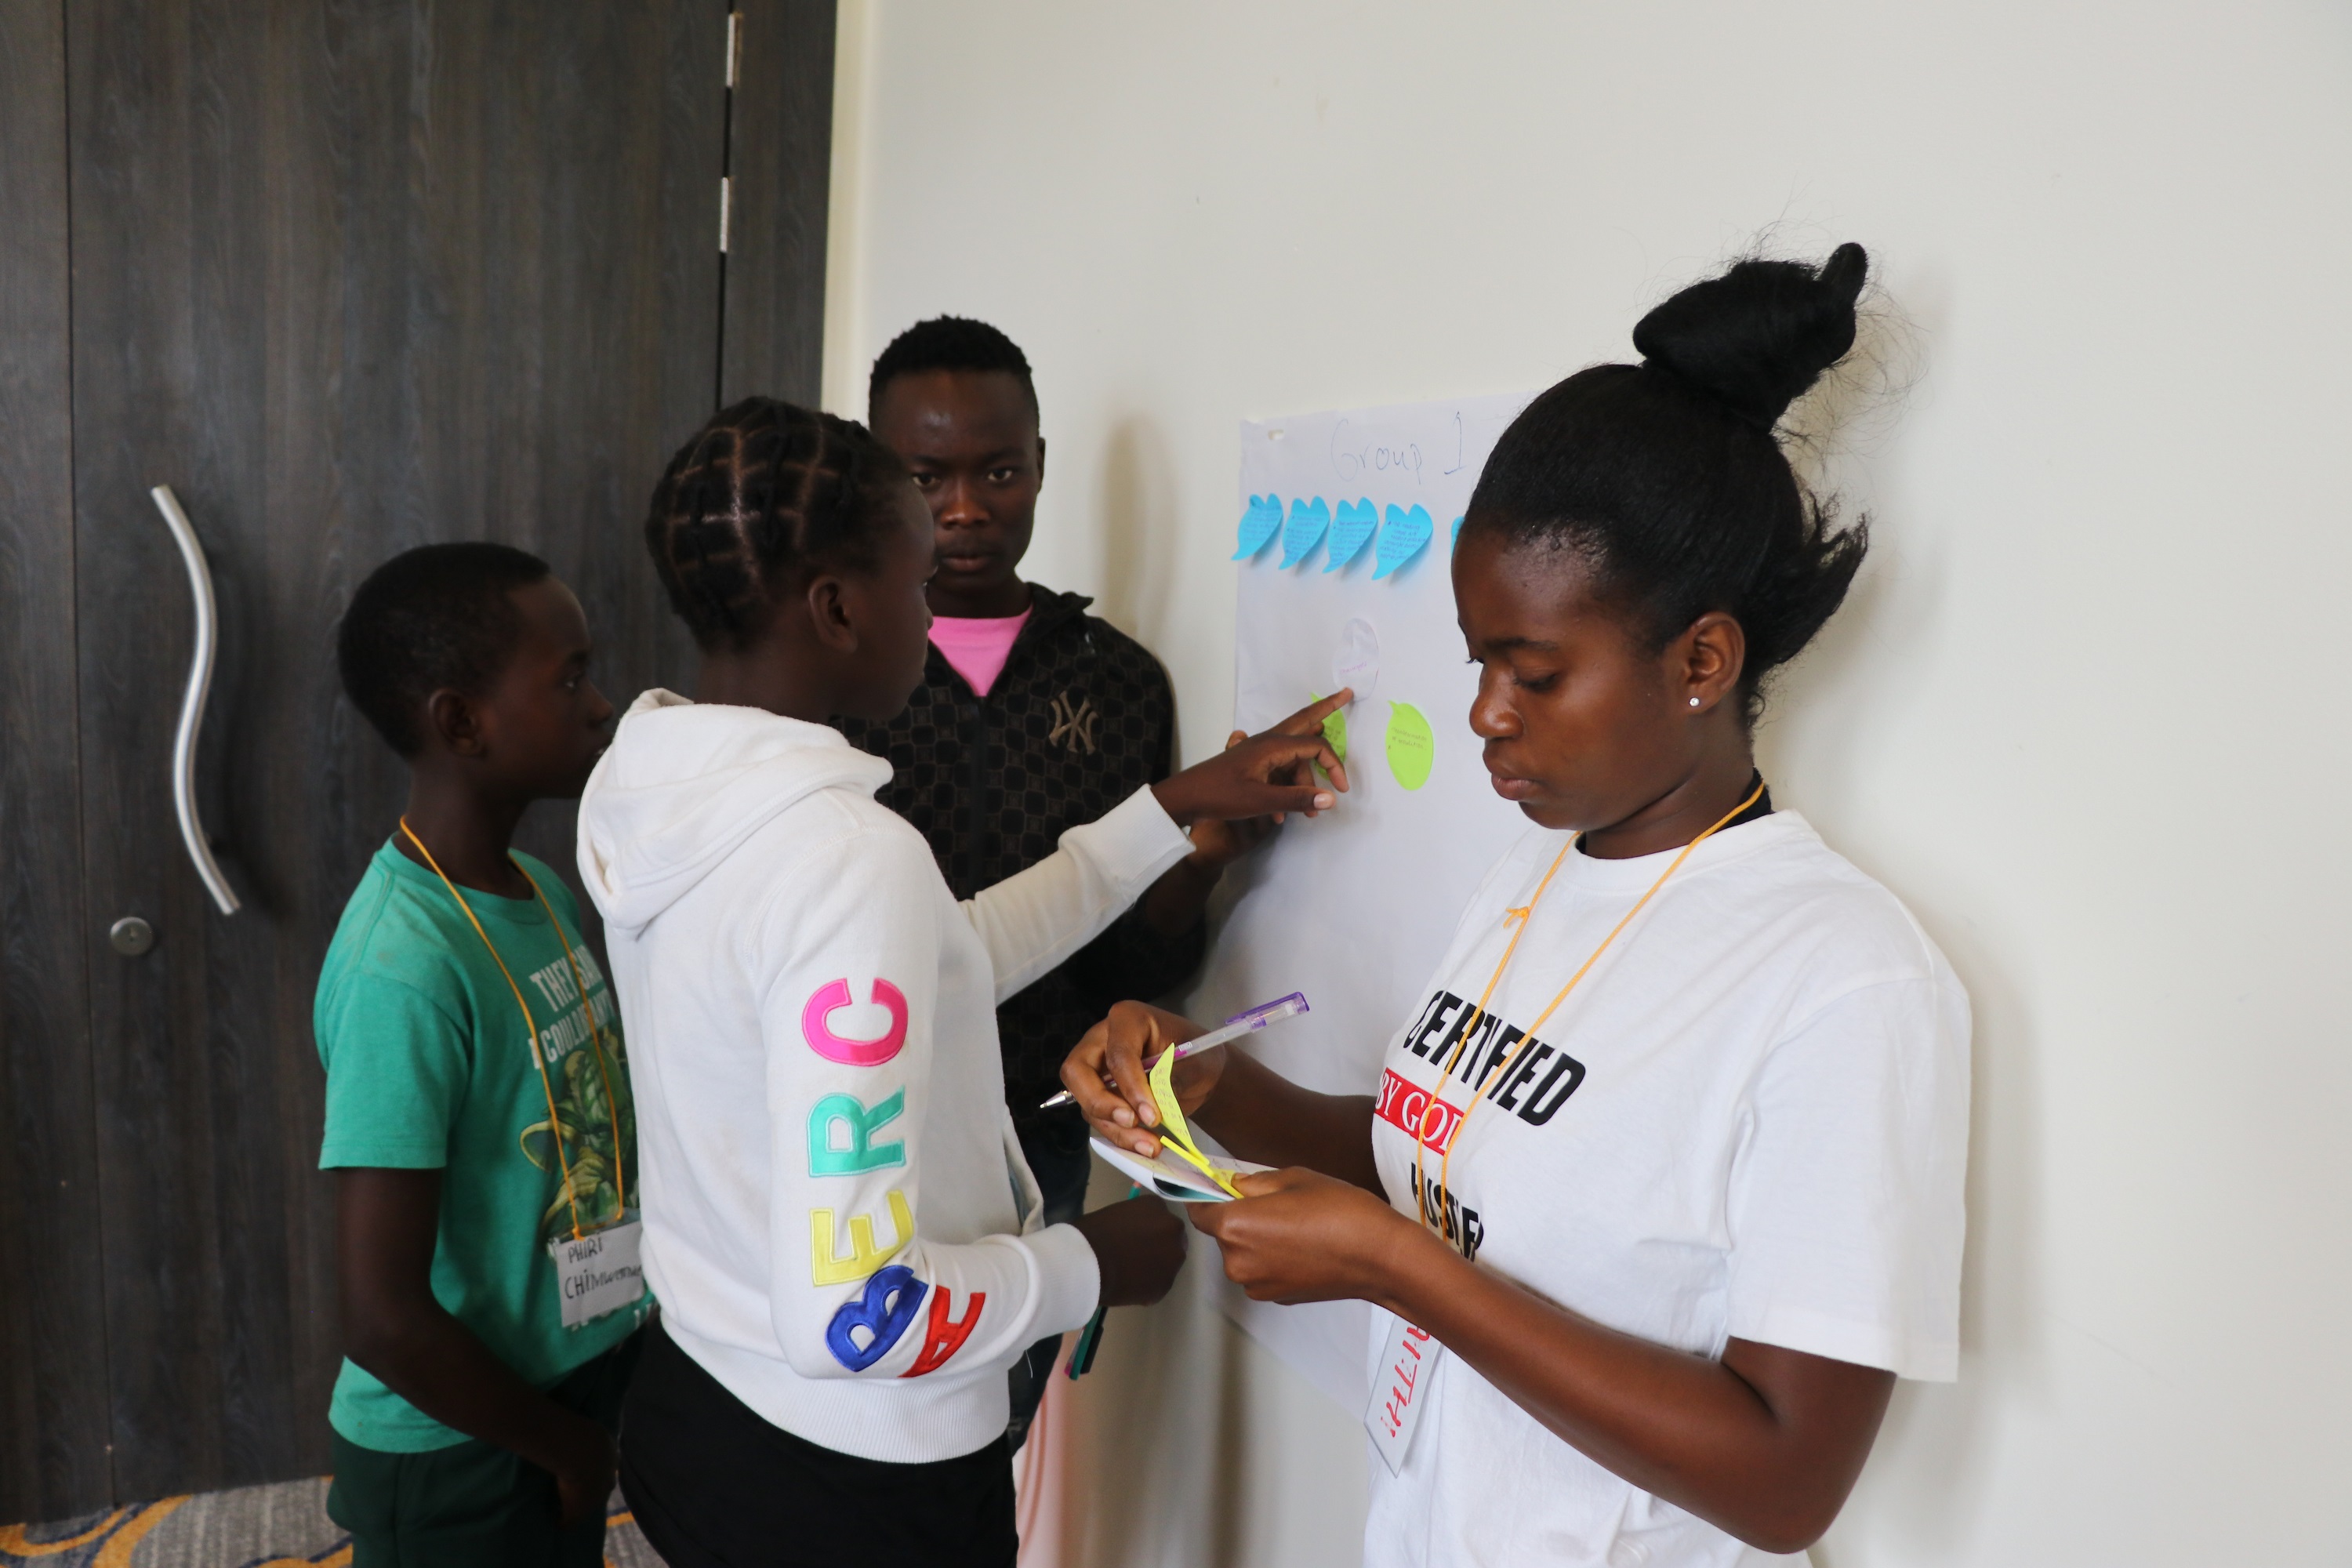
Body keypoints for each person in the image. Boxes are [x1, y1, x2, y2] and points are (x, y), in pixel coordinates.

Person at [1066, 245, 1970, 1566]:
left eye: (1534, 671)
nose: (1484, 713)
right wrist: (1216, 1091)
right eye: (1480, 656)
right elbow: (1442, 1165)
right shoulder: (1536, 874)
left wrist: (1394, 1271)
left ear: (1702, 659)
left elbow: (1786, 1482)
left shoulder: (1844, 977)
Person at [575, 397, 1348, 1568]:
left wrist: (1176, 806)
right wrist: (1097, 1265)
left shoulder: (656, 786)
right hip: (848, 1482)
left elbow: (944, 961)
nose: (931, 617)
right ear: (839, 608)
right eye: (917, 584)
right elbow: (854, 1314)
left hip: (700, 1399)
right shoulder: (841, 858)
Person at [840, 314, 1266, 1443]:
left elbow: (1145, 962)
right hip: (859, 1104)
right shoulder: (839, 667)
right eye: (926, 477)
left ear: (1040, 466)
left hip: (1039, 1121)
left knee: (996, 1412)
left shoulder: (1119, 683)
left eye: (1000, 471)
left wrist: (1195, 872)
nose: (967, 508)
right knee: (852, 1392)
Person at [319, 543, 646, 1567]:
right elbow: (382, 1317)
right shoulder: (402, 967)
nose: (602, 706)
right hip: (462, 1441)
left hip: (560, 1385)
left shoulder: (539, 892)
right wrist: (572, 1451)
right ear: (462, 721)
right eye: (570, 678)